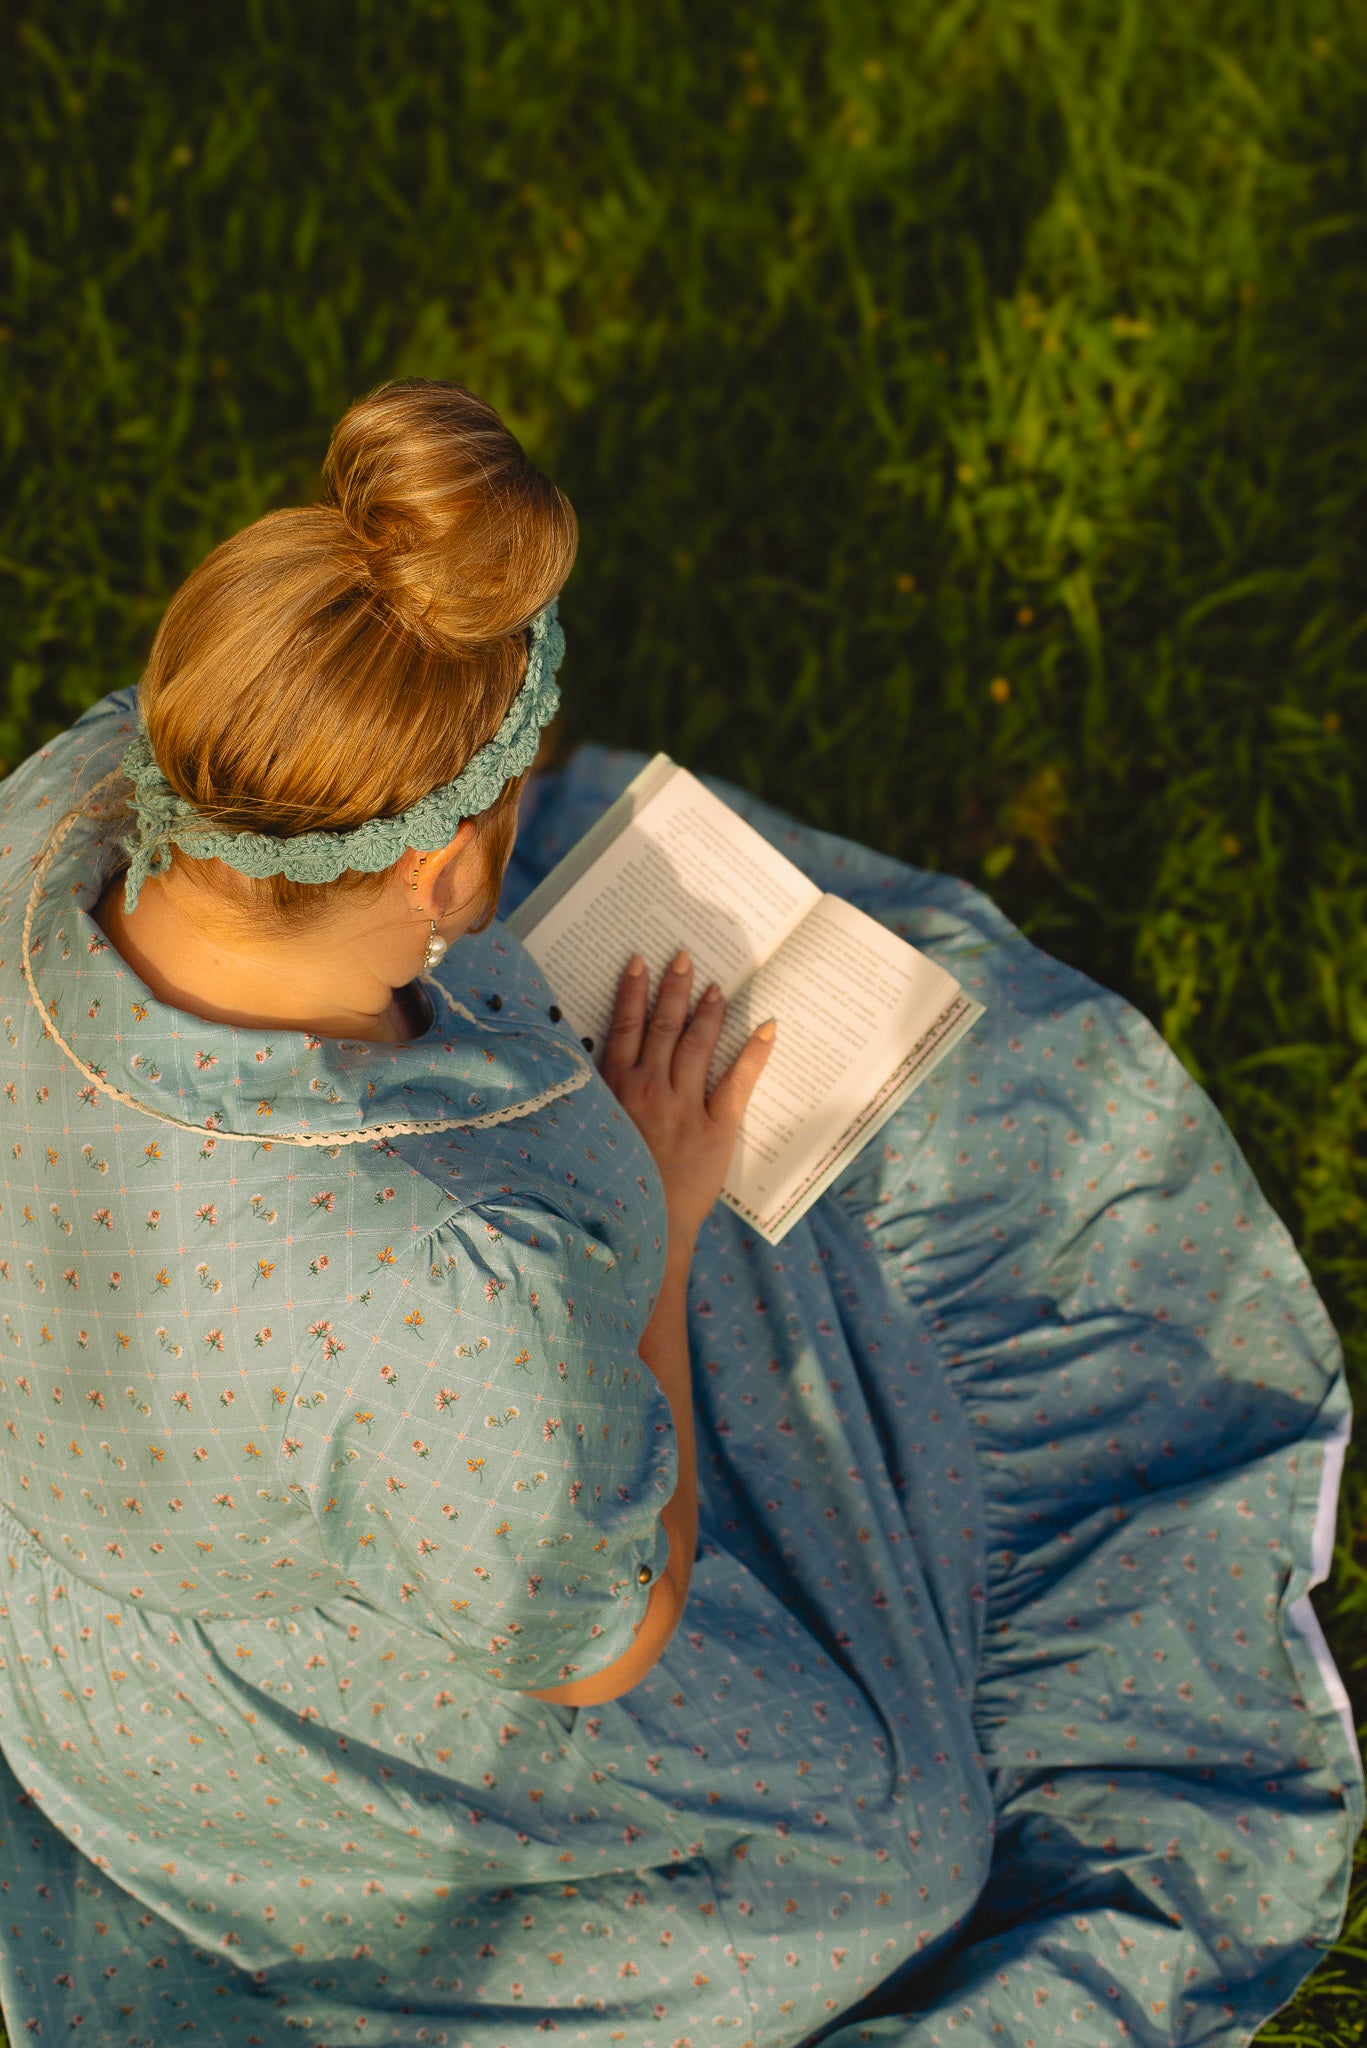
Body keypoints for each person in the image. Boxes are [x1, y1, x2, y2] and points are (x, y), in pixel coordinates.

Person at [0, 378, 1358, 2048]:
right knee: (903, 1847)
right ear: (433, 870)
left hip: (77, 1621)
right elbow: (601, 1644)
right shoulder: (446, 1283)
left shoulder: (58, 814)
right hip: (296, 1755)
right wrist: (660, 1222)